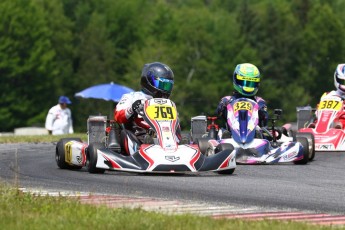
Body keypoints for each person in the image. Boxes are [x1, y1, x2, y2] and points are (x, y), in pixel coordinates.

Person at [114, 62, 181, 155]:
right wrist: (132, 108)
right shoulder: (132, 97)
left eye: (167, 86)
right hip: (140, 136)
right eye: (161, 85)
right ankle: (143, 149)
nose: (164, 89)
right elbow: (118, 117)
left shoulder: (168, 103)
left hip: (165, 135)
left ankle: (179, 145)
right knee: (125, 133)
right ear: (149, 81)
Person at [215, 63, 269, 138]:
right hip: (231, 133)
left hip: (254, 134)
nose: (248, 86)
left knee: (263, 133)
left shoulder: (259, 101)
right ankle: (226, 137)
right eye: (244, 82)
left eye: (251, 83)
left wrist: (261, 111)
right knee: (221, 132)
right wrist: (223, 107)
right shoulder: (227, 100)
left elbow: (265, 118)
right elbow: (218, 113)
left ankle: (256, 135)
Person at [309, 63, 345, 129]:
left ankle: (340, 126)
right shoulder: (329, 95)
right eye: (343, 82)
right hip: (329, 126)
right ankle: (315, 125)